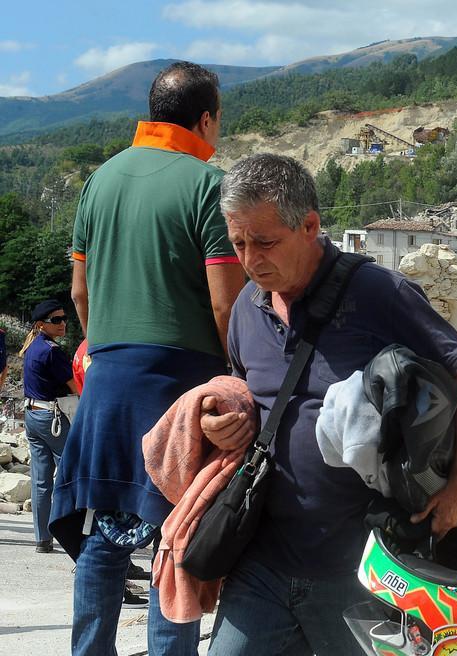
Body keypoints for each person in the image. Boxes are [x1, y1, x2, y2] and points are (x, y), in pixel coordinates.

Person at [203, 153, 457, 654]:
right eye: (239, 243)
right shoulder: (248, 308)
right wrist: (218, 421)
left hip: (362, 571)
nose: (250, 259)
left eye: (265, 242)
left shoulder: (379, 293)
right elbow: (242, 392)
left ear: (310, 225)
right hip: (262, 564)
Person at [51, 61, 245, 655]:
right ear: (206, 119)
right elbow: (224, 303)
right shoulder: (207, 185)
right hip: (180, 390)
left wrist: (105, 352)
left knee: (103, 536)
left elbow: (79, 293)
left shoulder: (99, 181)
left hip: (107, 381)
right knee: (176, 540)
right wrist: (238, 376)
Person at [20, 300, 78, 553]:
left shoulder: (32, 347)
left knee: (41, 480)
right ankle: (75, 536)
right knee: (71, 475)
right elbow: (76, 387)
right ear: (41, 324)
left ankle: (42, 539)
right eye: (56, 320)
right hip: (52, 418)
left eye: (64, 318)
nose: (63, 323)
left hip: (32, 415)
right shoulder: (52, 351)